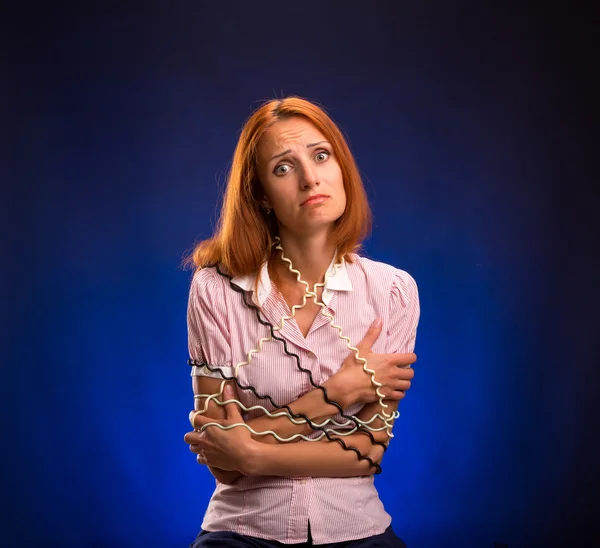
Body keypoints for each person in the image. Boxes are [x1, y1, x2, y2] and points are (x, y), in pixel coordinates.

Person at [183, 96, 420, 547]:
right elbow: (221, 460)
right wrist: (340, 392)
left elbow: (366, 452)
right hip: (240, 532)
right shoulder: (214, 289)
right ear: (260, 195)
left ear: (341, 167)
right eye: (283, 168)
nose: (311, 178)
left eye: (321, 155)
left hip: (358, 529)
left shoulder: (393, 292)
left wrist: (252, 453)